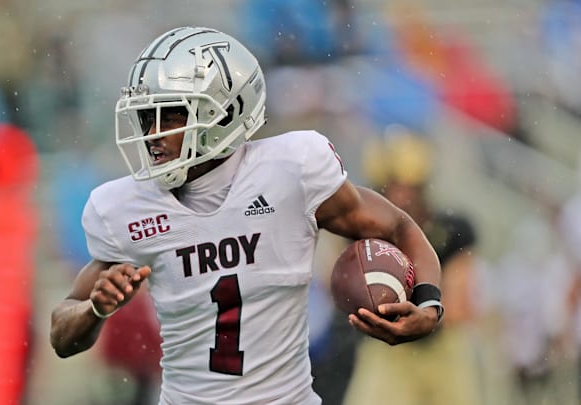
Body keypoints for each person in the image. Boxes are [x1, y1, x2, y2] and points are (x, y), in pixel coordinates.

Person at [50, 27, 443, 405]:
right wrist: (95, 309)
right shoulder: (127, 207)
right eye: (145, 117)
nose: (152, 134)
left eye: (169, 116)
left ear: (225, 113)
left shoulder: (292, 170)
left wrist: (428, 306)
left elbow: (398, 225)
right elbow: (61, 334)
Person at [343, 132, 485, 405]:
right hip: (389, 350)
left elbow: (460, 306)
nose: (402, 197)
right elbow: (341, 290)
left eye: (410, 187)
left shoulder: (451, 230)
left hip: (442, 348)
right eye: (394, 186)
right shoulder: (365, 233)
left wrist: (416, 313)